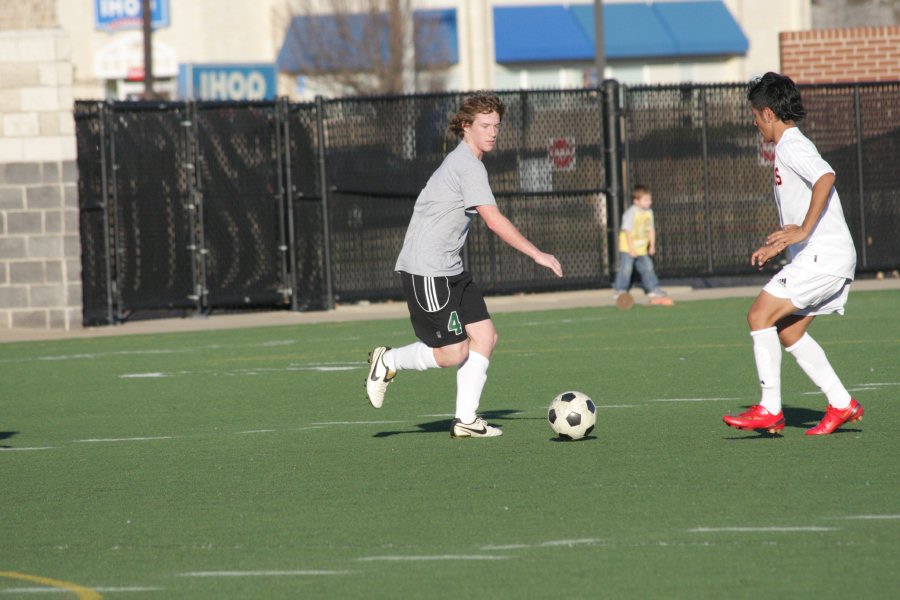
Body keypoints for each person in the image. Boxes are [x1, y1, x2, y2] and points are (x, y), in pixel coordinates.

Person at [365, 92, 563, 438]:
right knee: (453, 353)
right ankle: (388, 361)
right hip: (427, 269)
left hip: (450, 268)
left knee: (485, 335)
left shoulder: (469, 162)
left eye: (497, 126)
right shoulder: (467, 166)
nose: (493, 132)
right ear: (466, 126)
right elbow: (494, 221)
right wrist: (537, 254)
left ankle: (466, 420)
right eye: (485, 125)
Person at [723, 72, 862, 436]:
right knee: (789, 331)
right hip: (825, 256)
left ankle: (769, 408)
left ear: (768, 113)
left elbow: (825, 177)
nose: (755, 123)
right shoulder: (788, 146)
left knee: (759, 315)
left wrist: (802, 231)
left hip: (826, 255)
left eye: (755, 115)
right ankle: (841, 402)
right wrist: (781, 243)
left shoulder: (791, 144)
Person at [612, 185, 673, 307]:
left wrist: (652, 246)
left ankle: (653, 289)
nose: (649, 202)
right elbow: (627, 232)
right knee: (626, 269)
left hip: (642, 248)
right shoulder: (631, 213)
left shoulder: (649, 213)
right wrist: (631, 249)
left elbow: (651, 230)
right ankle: (620, 290)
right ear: (636, 201)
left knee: (648, 268)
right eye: (646, 200)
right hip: (628, 248)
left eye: (649, 199)